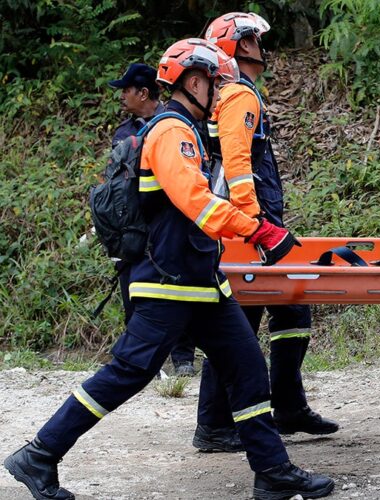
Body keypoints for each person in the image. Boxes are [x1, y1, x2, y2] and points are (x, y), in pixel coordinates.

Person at [4, 38, 334, 500]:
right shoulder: (171, 132)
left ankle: (273, 473)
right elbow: (198, 204)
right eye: (217, 86)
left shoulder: (188, 131)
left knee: (247, 370)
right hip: (168, 283)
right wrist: (259, 230)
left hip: (199, 282)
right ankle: (39, 455)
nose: (221, 97)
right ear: (194, 82)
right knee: (128, 372)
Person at [202, 12, 339, 437]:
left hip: (246, 220)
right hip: (247, 222)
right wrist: (255, 223)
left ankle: (288, 406)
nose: (263, 46)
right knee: (238, 318)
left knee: (291, 307)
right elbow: (239, 165)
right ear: (241, 45)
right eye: (257, 39)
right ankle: (216, 424)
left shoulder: (229, 93)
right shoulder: (239, 95)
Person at [108, 63, 198, 377]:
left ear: (143, 92)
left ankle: (183, 359)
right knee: (133, 292)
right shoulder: (124, 133)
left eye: (126, 90)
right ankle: (139, 363)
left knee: (176, 286)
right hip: (132, 227)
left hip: (167, 225)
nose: (121, 96)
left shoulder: (175, 125)